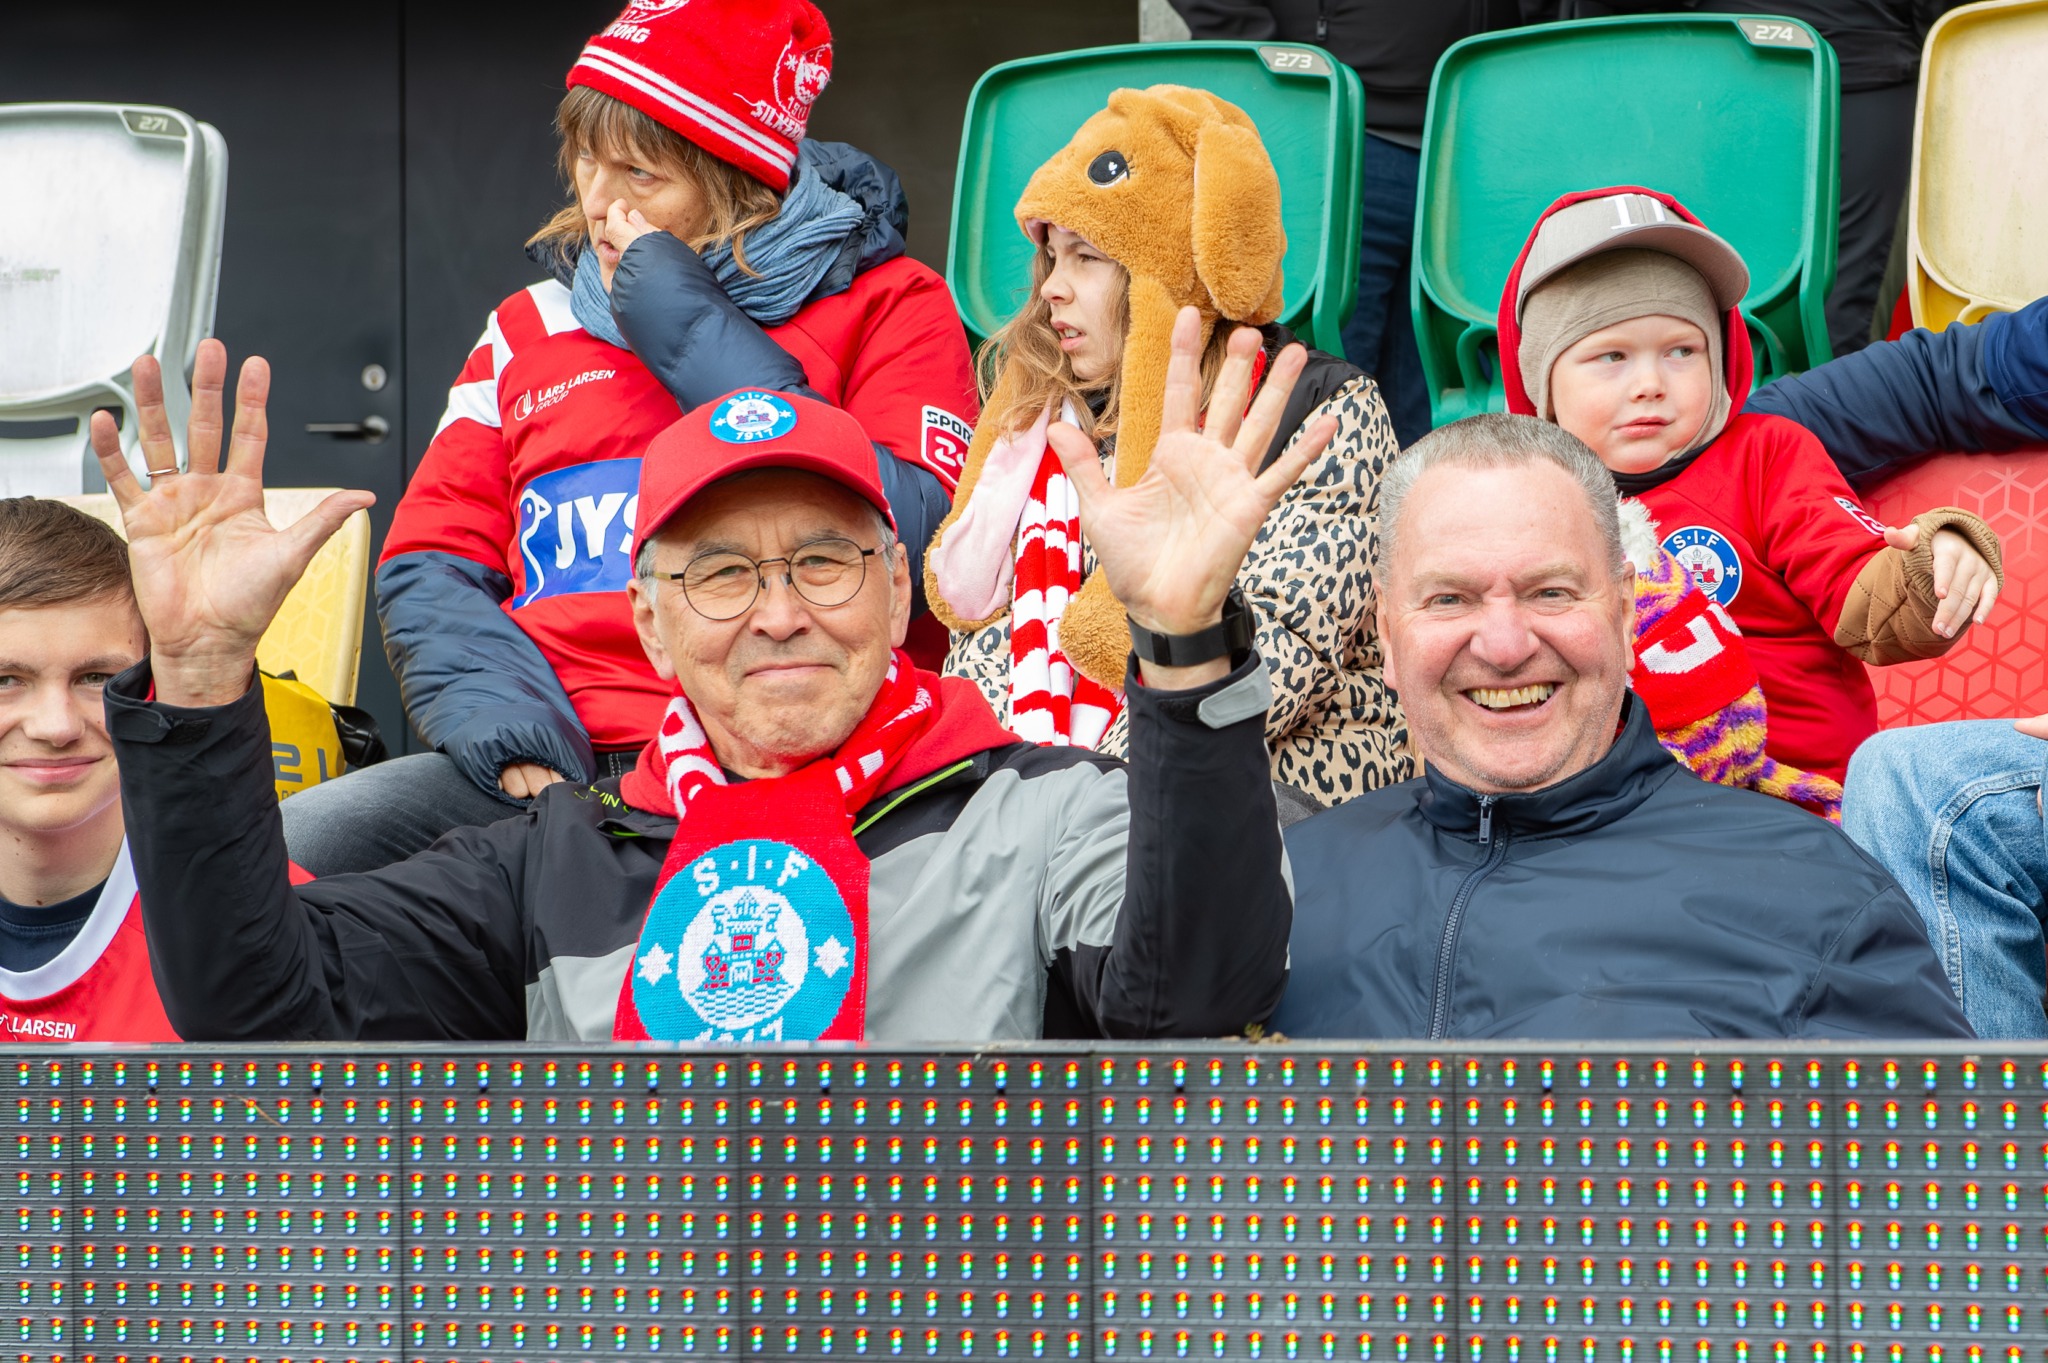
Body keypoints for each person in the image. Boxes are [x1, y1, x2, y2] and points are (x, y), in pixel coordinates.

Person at [93, 313, 1316, 1043]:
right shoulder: (554, 860)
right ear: (652, 624)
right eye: (720, 574)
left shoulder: (1043, 812)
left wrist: (1180, 638)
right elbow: (256, 1004)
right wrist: (198, 682)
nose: (779, 614)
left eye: (823, 561)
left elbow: (1194, 995)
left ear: (898, 587)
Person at [280, 0, 978, 876]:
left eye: (640, 174)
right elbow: (430, 563)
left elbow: (927, 541)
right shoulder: (528, 325)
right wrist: (513, 733)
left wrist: (688, 330)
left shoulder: (891, 303)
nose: (599, 203)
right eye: (586, 159)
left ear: (738, 180)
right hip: (557, 770)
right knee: (290, 854)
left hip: (809, 759)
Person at [1270, 413, 1972, 1039]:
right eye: (1450, 598)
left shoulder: (1812, 892)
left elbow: (1934, 1142)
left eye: (1551, 591)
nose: (1505, 646)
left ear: (1627, 613)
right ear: (1388, 637)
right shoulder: (1280, 882)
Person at [925, 85, 1407, 810]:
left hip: (1275, 808)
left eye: (1086, 256)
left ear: (1170, 270)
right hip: (1057, 814)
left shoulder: (1322, 412)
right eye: (1051, 256)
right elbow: (980, 659)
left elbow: (1277, 663)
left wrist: (1069, 812)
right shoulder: (1038, 431)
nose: (1052, 288)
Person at [1497, 187, 2004, 783]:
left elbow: (1866, 596)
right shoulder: (1519, 505)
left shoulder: (1766, 455)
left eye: (1682, 350)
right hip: (1612, 800)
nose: (1650, 383)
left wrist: (1929, 567)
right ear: (1542, 382)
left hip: (1795, 792)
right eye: (1611, 357)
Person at [1167, 0, 1544, 445]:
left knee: (1463, 377)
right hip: (1336, 124)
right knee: (1325, 381)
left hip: (1485, 128)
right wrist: (1274, 71)